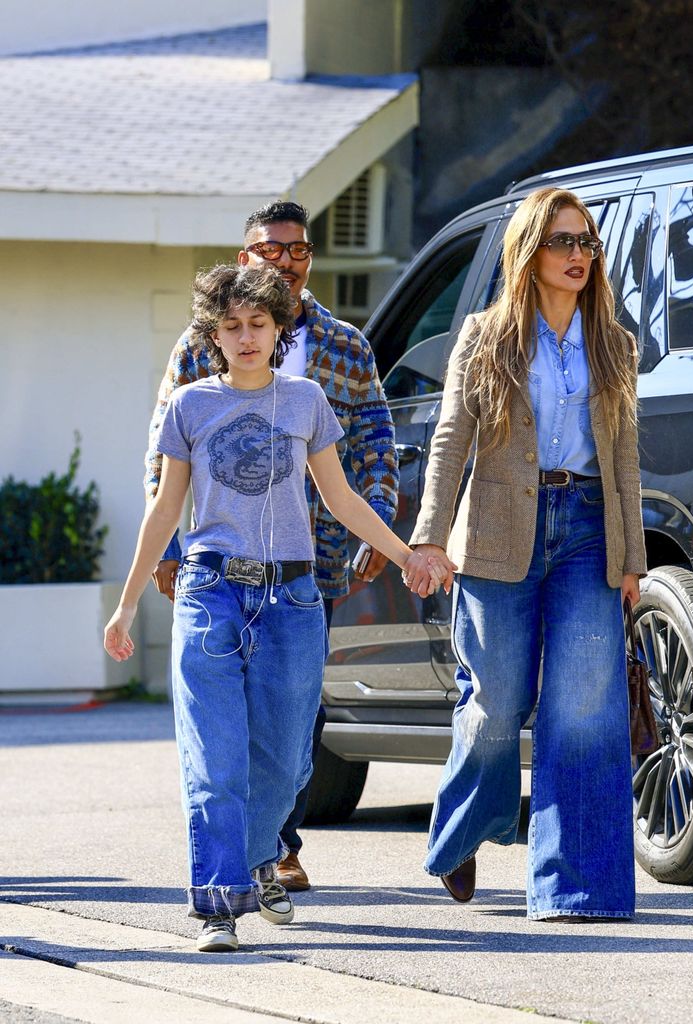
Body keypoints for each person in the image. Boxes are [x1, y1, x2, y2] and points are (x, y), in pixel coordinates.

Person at [105, 264, 451, 952]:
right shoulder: (189, 406)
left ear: (277, 329)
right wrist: (125, 605)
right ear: (213, 336)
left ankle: (260, 855)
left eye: (257, 324)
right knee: (215, 762)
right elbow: (165, 509)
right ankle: (218, 905)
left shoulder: (305, 400)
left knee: (288, 763)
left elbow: (341, 497)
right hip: (211, 594)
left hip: (292, 598)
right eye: (231, 326)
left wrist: (406, 553)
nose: (245, 337)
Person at [144, 201, 398, 893]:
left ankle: (276, 839)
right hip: (219, 561)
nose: (285, 260)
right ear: (245, 257)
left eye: (298, 250)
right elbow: (164, 451)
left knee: (291, 716)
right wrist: (166, 547)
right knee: (225, 726)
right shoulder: (205, 340)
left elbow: (374, 437)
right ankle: (244, 870)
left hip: (312, 556)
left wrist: (379, 522)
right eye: (270, 249)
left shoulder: (344, 345)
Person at [410, 186, 647, 921]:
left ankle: (577, 889)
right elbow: (450, 439)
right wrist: (428, 536)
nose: (579, 255)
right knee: (493, 705)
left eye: (587, 243)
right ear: (528, 252)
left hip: (587, 529)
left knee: (583, 709)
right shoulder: (485, 335)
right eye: (562, 241)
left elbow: (625, 457)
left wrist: (631, 560)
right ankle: (463, 833)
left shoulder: (614, 341)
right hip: (495, 532)